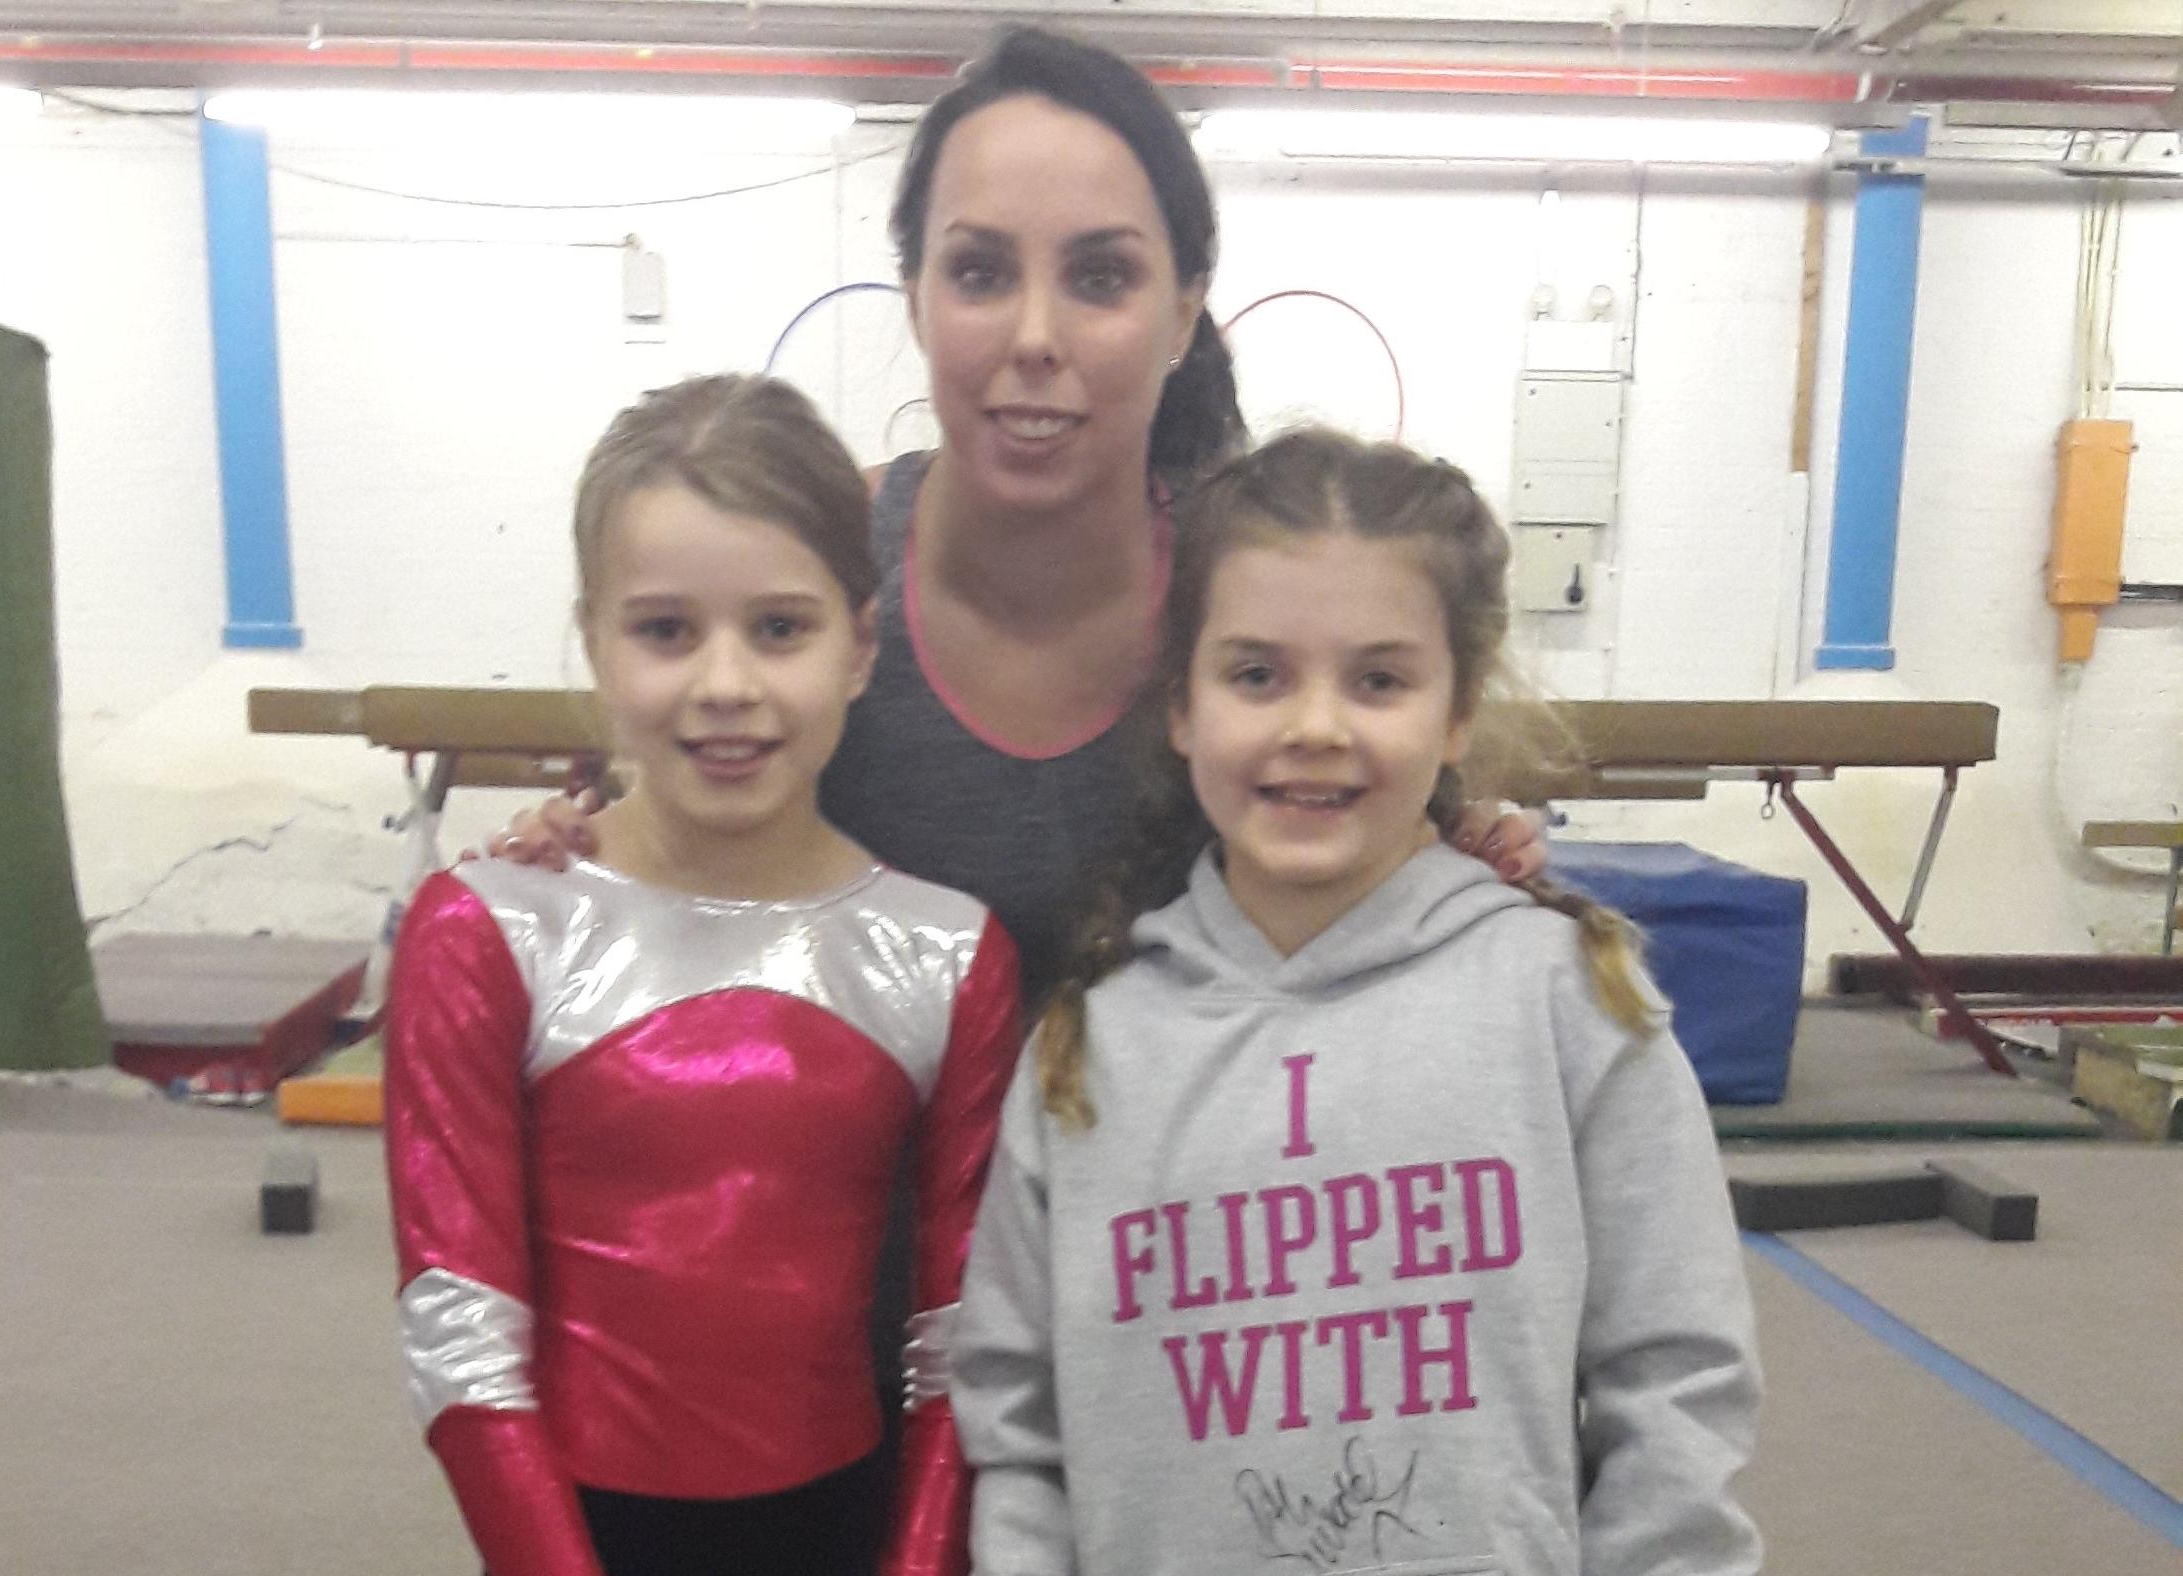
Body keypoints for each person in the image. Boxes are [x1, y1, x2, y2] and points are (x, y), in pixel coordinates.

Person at [488, 26, 1546, 1007]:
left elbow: (1382, 811)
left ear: (1183, 312)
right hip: (848, 1201)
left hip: (1174, 1195)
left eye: (1100, 276)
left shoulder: (1255, 588)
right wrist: (557, 852)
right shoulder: (805, 571)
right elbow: (652, 829)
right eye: (982, 271)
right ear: (916, 297)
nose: (1036, 335)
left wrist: (1463, 850)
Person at [951, 430, 1763, 1576]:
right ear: (1180, 703)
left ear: (1460, 708)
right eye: (1256, 674)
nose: (1317, 725)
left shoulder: (1568, 1007)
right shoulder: (1092, 1049)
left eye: (1379, 679)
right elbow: (1016, 1420)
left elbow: (1678, 1385)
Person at [384, 374, 1024, 1576]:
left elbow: (960, 1338)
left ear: (861, 642)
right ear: (597, 642)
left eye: (779, 627)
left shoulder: (945, 953)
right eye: (666, 629)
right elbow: (459, 1332)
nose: (725, 684)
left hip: (850, 1522)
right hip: (574, 1532)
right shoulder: (490, 930)